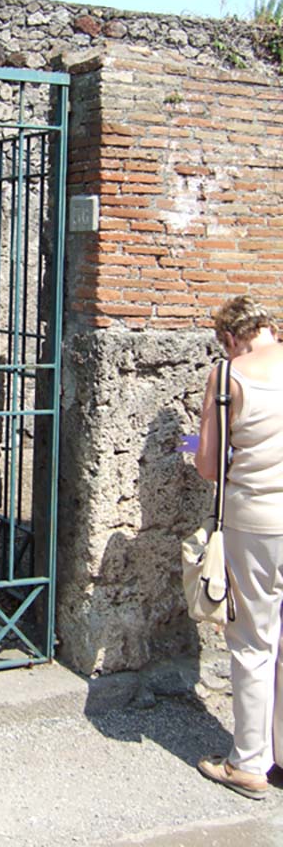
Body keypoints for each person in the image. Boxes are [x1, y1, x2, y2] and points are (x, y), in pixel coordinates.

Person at [194, 295, 283, 800]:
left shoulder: (228, 374)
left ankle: (249, 762)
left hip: (258, 522)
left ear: (230, 337)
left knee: (253, 639)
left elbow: (208, 465)